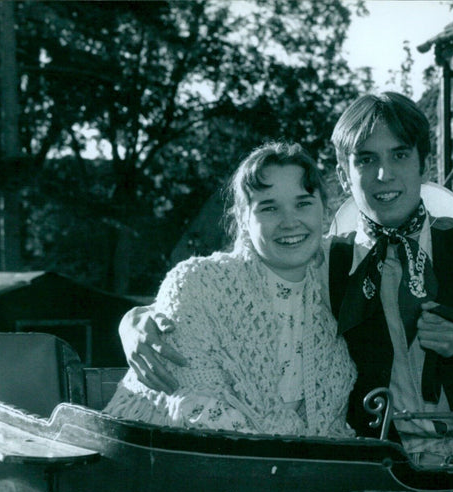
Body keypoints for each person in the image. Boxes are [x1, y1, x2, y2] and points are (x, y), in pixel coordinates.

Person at [118, 92, 453, 465]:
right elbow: (241, 283)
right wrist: (135, 321)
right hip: (379, 474)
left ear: (424, 162)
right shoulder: (325, 259)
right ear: (344, 175)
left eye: (400, 154)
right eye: (367, 160)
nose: (385, 175)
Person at [104, 142, 356, 437]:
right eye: (269, 207)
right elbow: (197, 407)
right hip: (163, 460)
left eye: (303, 203)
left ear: (324, 211)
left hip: (289, 468)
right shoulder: (199, 282)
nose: (290, 222)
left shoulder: (338, 278)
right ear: (243, 219)